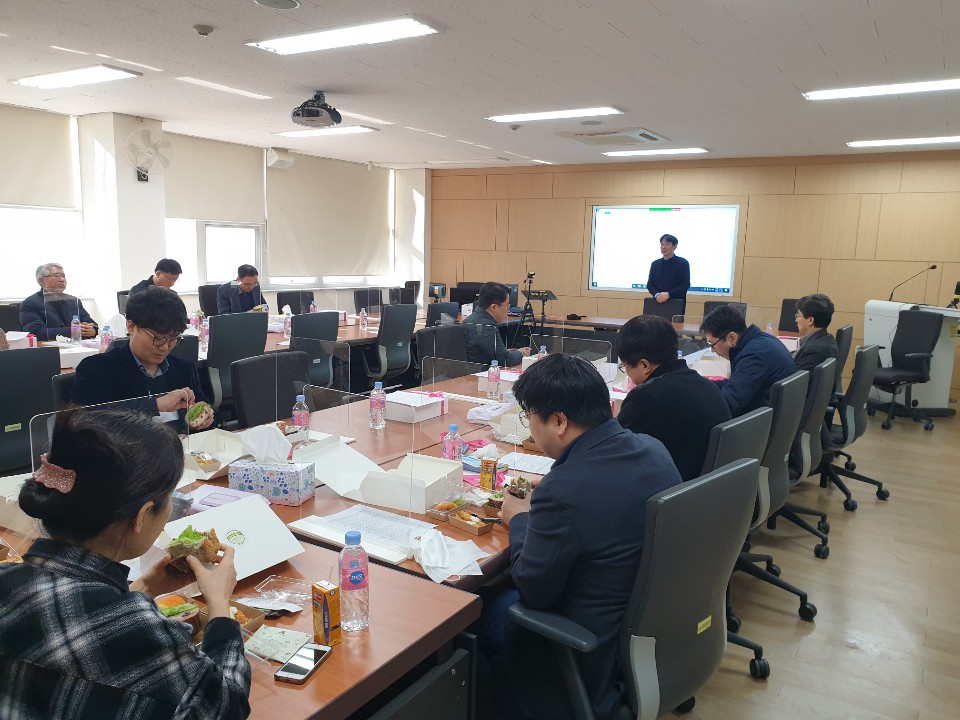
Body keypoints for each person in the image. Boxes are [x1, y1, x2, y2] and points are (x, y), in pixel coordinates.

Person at [0, 408, 250, 718]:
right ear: (141, 516)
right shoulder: (137, 629)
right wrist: (220, 608)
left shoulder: (8, 576)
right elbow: (224, 705)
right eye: (170, 497)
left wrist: (141, 590)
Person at [477, 354, 681, 720]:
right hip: (639, 632)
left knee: (470, 610)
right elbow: (600, 494)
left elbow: (533, 591)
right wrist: (553, 485)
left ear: (559, 421)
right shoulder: (654, 449)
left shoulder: (564, 492)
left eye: (529, 416)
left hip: (582, 644)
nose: (530, 428)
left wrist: (519, 517)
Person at [71, 286, 213, 431]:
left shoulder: (184, 369)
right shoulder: (96, 369)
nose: (165, 347)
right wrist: (155, 405)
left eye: (173, 339)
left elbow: (202, 419)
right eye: (158, 338)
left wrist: (202, 420)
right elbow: (88, 419)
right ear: (131, 327)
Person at [616, 315, 731, 481]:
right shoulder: (704, 384)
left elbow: (614, 451)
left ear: (644, 365)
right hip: (710, 485)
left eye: (625, 365)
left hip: (675, 489)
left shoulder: (646, 397)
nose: (626, 371)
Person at [702, 304, 797, 417]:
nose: (712, 350)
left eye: (712, 344)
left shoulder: (754, 355)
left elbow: (728, 405)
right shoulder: (763, 340)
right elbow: (737, 383)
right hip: (774, 416)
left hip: (760, 422)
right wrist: (701, 385)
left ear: (732, 337)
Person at [19, 263, 99, 341]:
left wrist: (93, 330)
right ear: (42, 281)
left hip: (77, 346)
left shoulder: (74, 301)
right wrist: (74, 330)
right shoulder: (30, 303)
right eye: (56, 276)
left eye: (63, 276)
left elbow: (92, 324)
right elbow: (36, 332)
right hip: (50, 347)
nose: (62, 279)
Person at [462, 282, 530, 367]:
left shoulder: (471, 319)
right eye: (507, 306)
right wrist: (522, 353)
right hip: (481, 373)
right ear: (494, 307)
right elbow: (505, 360)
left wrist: (511, 352)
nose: (508, 310)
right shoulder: (487, 326)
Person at [792, 293, 838, 372]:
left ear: (810, 320)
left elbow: (795, 378)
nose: (796, 320)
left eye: (798, 315)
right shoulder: (827, 338)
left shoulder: (813, 351)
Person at [646, 233, 690, 309]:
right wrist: (657, 295)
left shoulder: (683, 263)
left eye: (667, 244)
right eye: (662, 244)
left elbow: (685, 285)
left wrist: (668, 294)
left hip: (676, 303)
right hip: (657, 302)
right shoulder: (655, 264)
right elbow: (650, 284)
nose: (663, 247)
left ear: (674, 246)